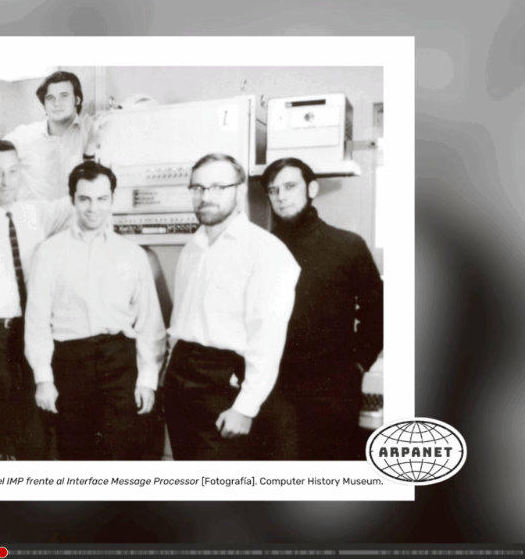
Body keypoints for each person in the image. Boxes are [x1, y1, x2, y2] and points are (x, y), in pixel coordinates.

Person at [161, 153, 299, 460]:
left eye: (217, 187)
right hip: (181, 375)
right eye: (197, 188)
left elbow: (267, 338)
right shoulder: (192, 248)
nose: (205, 196)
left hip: (225, 381)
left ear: (239, 190)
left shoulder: (266, 251)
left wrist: (245, 407)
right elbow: (182, 320)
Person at [24, 161, 166, 460]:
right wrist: (43, 379)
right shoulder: (48, 253)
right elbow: (36, 322)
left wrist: (147, 380)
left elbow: (149, 324)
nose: (93, 208)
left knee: (122, 454)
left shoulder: (133, 255)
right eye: (84, 199)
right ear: (72, 200)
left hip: (120, 363)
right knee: (77, 454)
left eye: (102, 199)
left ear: (112, 199)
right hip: (70, 365)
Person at [0, 140, 74, 460]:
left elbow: (76, 200)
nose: (5, 181)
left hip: (31, 332)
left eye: (12, 171)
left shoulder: (35, 212)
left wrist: (89, 152)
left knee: (34, 426)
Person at [262, 157, 384, 460]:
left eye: (290, 186)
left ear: (312, 189)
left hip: (332, 387)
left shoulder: (347, 245)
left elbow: (378, 311)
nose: (281, 196)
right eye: (273, 190)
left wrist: (359, 363)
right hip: (272, 386)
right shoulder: (259, 248)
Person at [5, 70, 105, 201]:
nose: (56, 103)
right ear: (44, 104)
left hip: (78, 217)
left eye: (64, 96)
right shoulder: (25, 135)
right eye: (50, 98)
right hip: (37, 218)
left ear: (77, 100)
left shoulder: (91, 131)